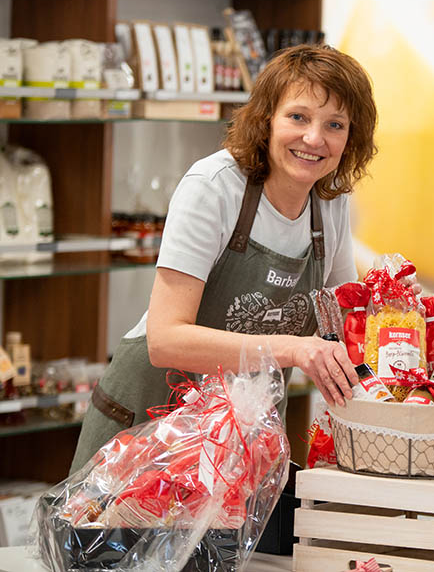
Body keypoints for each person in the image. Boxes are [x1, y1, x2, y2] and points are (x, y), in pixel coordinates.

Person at [71, 44, 378, 471]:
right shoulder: (214, 187)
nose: (314, 138)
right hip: (150, 432)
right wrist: (290, 349)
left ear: (352, 136)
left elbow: (343, 321)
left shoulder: (331, 202)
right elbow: (166, 340)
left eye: (335, 124)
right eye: (298, 117)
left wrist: (392, 306)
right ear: (266, 117)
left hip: (238, 444)